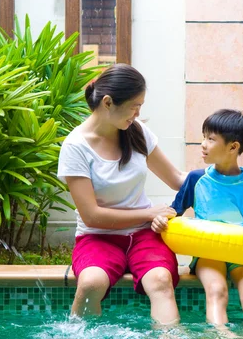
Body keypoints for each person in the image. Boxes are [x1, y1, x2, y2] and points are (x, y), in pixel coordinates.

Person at [57, 64, 186, 325]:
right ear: (107, 102)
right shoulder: (75, 147)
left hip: (143, 236)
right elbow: (92, 216)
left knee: (161, 281)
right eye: (134, 105)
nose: (138, 113)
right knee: (91, 283)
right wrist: (150, 213)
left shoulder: (135, 131)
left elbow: (177, 179)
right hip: (97, 238)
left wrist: (221, 177)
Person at [151, 109, 243, 327]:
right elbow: (173, 213)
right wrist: (161, 221)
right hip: (209, 253)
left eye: (210, 139)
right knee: (217, 290)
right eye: (203, 137)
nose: (203, 144)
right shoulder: (196, 179)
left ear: (233, 147)